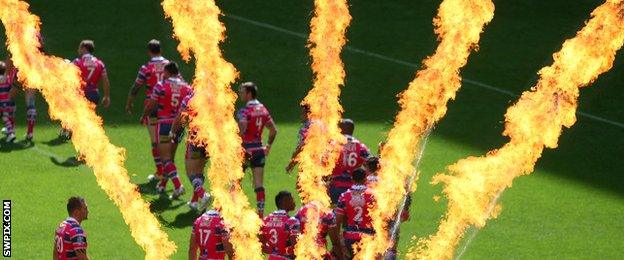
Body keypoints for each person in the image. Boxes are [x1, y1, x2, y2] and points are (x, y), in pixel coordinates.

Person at [142, 61, 192, 199]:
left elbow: (151, 103)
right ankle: (163, 184)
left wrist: (144, 115)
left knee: (165, 158)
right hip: (180, 124)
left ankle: (178, 186)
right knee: (170, 157)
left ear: (168, 72)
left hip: (164, 124)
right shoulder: (187, 87)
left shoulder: (161, 85)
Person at [126, 39, 170, 181]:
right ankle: (169, 171)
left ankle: (160, 172)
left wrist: (129, 103)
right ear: (160, 50)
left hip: (152, 107)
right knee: (166, 141)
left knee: (155, 142)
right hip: (169, 107)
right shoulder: (169, 65)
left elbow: (136, 87)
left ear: (149, 51)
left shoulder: (146, 68)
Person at [236, 82, 277, 218]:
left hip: (245, 150)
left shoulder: (244, 111)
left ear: (249, 93)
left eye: (242, 92)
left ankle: (236, 211)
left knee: (235, 181)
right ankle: (260, 215)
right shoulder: (263, 109)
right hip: (259, 150)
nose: (241, 94)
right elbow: (273, 129)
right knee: (259, 184)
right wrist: (268, 146)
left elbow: (242, 129)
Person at [61, 40, 111, 139]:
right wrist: (106, 96)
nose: (78, 49)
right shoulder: (99, 63)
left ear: (84, 48)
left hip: (81, 95)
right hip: (94, 94)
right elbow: (105, 81)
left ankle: (82, 146)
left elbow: (69, 77)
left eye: (80, 47)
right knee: (91, 119)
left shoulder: (77, 62)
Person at [171, 93, 211, 210]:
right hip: (210, 139)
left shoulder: (189, 98)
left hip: (195, 138)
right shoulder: (212, 98)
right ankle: (194, 201)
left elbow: (181, 117)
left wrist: (173, 131)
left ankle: (203, 195)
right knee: (199, 171)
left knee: (191, 173)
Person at [335, 168, 375, 259]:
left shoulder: (344, 196)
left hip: (350, 238)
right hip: (368, 238)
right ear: (365, 179)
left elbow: (337, 221)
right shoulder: (373, 195)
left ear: (352, 179)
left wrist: (337, 241)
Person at [328, 119, 370, 205]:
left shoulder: (333, 145)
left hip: (335, 187)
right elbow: (371, 164)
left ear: (342, 129)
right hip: (353, 189)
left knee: (335, 214)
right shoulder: (360, 146)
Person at [261, 191, 300, 260]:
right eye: (292, 200)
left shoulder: (266, 220)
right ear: (284, 202)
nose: (294, 202)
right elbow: (296, 247)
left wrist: (274, 252)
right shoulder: (292, 222)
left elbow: (259, 245)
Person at [285, 104, 310, 173]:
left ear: (308, 114)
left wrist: (291, 164)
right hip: (322, 164)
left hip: (308, 164)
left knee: (302, 183)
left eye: (302, 113)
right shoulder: (321, 124)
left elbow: (301, 147)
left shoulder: (306, 127)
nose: (300, 116)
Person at [0, 60, 17, 143]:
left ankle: (10, 134)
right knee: (10, 118)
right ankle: (11, 130)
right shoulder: (7, 79)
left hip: (3, 104)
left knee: (5, 118)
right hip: (10, 102)